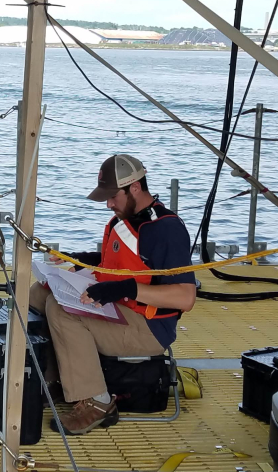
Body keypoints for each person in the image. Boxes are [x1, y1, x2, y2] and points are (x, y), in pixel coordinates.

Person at [30, 154, 197, 435]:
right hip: (122, 310)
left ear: (134, 188)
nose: (108, 204)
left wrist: (123, 288)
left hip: (148, 328)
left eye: (112, 197)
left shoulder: (165, 229)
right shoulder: (126, 218)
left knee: (62, 312)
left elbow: (185, 297)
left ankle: (99, 402)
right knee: (40, 293)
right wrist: (79, 259)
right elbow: (122, 263)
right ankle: (53, 379)